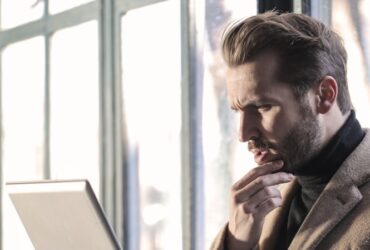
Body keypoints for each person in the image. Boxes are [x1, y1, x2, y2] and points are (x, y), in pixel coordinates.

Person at [211, 11, 370, 250]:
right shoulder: (262, 203)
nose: (244, 134)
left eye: (263, 106)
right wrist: (235, 243)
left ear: (324, 95)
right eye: (238, 110)